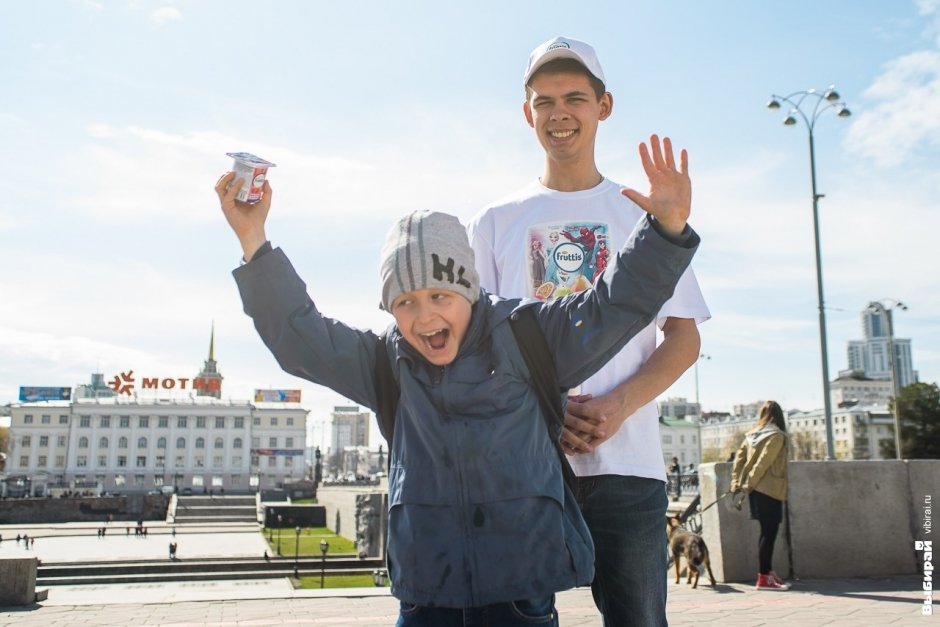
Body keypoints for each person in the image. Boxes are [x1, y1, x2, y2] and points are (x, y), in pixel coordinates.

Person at [215, 133, 698, 625]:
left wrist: (664, 229)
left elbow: (612, 307)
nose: (424, 319)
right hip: (427, 594)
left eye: (440, 297)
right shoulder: (387, 361)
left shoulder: (530, 337)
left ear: (469, 289)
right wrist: (253, 241)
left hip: (519, 591)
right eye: (405, 303)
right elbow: (301, 337)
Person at [467, 36, 710, 625]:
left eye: (575, 97)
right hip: (526, 465)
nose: (559, 113)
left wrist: (618, 405)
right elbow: (479, 350)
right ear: (528, 114)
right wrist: (544, 409)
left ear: (604, 106)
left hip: (628, 466)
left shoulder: (642, 213)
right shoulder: (495, 222)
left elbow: (684, 337)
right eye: (544, 100)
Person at [730, 400, 790, 591]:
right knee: (769, 534)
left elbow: (738, 461)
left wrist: (736, 483)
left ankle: (767, 573)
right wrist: (748, 484)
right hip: (770, 489)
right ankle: (764, 577)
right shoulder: (776, 436)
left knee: (766, 532)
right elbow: (763, 463)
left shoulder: (750, 435)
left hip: (755, 491)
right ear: (779, 415)